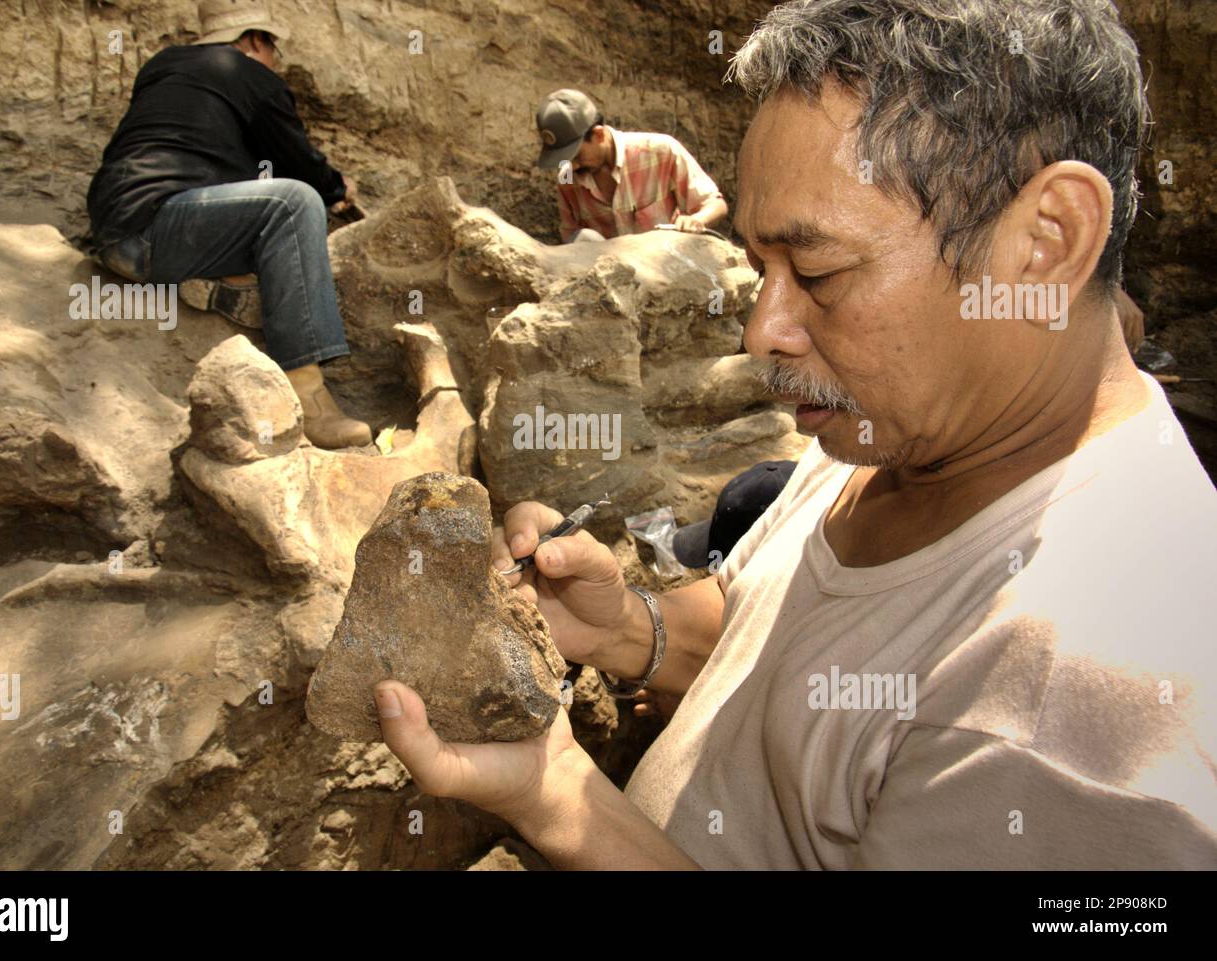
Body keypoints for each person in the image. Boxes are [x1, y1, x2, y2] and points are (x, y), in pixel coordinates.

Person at [374, 0, 1217, 869]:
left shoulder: (1079, 716)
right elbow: (785, 653)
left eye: (816, 270)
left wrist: (558, 796)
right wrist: (630, 628)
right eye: (761, 264)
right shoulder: (893, 424)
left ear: (1046, 242)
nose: (762, 330)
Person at [86, 0, 372, 449]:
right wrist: (338, 188)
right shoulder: (252, 75)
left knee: (267, 230)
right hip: (157, 225)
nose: (275, 59)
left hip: (113, 223)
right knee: (295, 203)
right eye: (273, 47)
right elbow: (296, 160)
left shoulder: (162, 65)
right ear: (255, 40)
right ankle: (310, 399)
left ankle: (214, 283)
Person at [535, 89, 729, 243]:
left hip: (667, 271)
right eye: (564, 158)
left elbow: (716, 204)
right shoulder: (567, 179)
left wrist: (697, 219)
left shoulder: (660, 151)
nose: (572, 166)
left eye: (576, 155)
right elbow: (571, 239)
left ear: (599, 135)